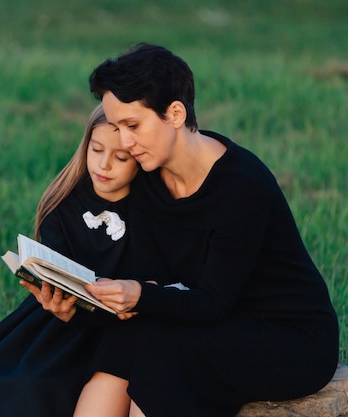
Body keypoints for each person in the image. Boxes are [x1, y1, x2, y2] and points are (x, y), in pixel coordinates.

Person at [71, 42, 339, 417]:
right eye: (117, 127)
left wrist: (142, 296)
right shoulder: (149, 177)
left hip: (287, 337)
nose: (125, 142)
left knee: (164, 352)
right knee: (128, 337)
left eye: (132, 126)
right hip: (211, 321)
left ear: (175, 113)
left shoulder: (242, 186)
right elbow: (152, 279)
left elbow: (212, 303)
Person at [0, 103, 141, 417]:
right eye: (96, 149)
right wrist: (51, 295)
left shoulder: (153, 208)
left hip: (123, 326)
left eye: (121, 157)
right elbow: (56, 269)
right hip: (62, 323)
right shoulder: (64, 202)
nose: (105, 164)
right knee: (23, 387)